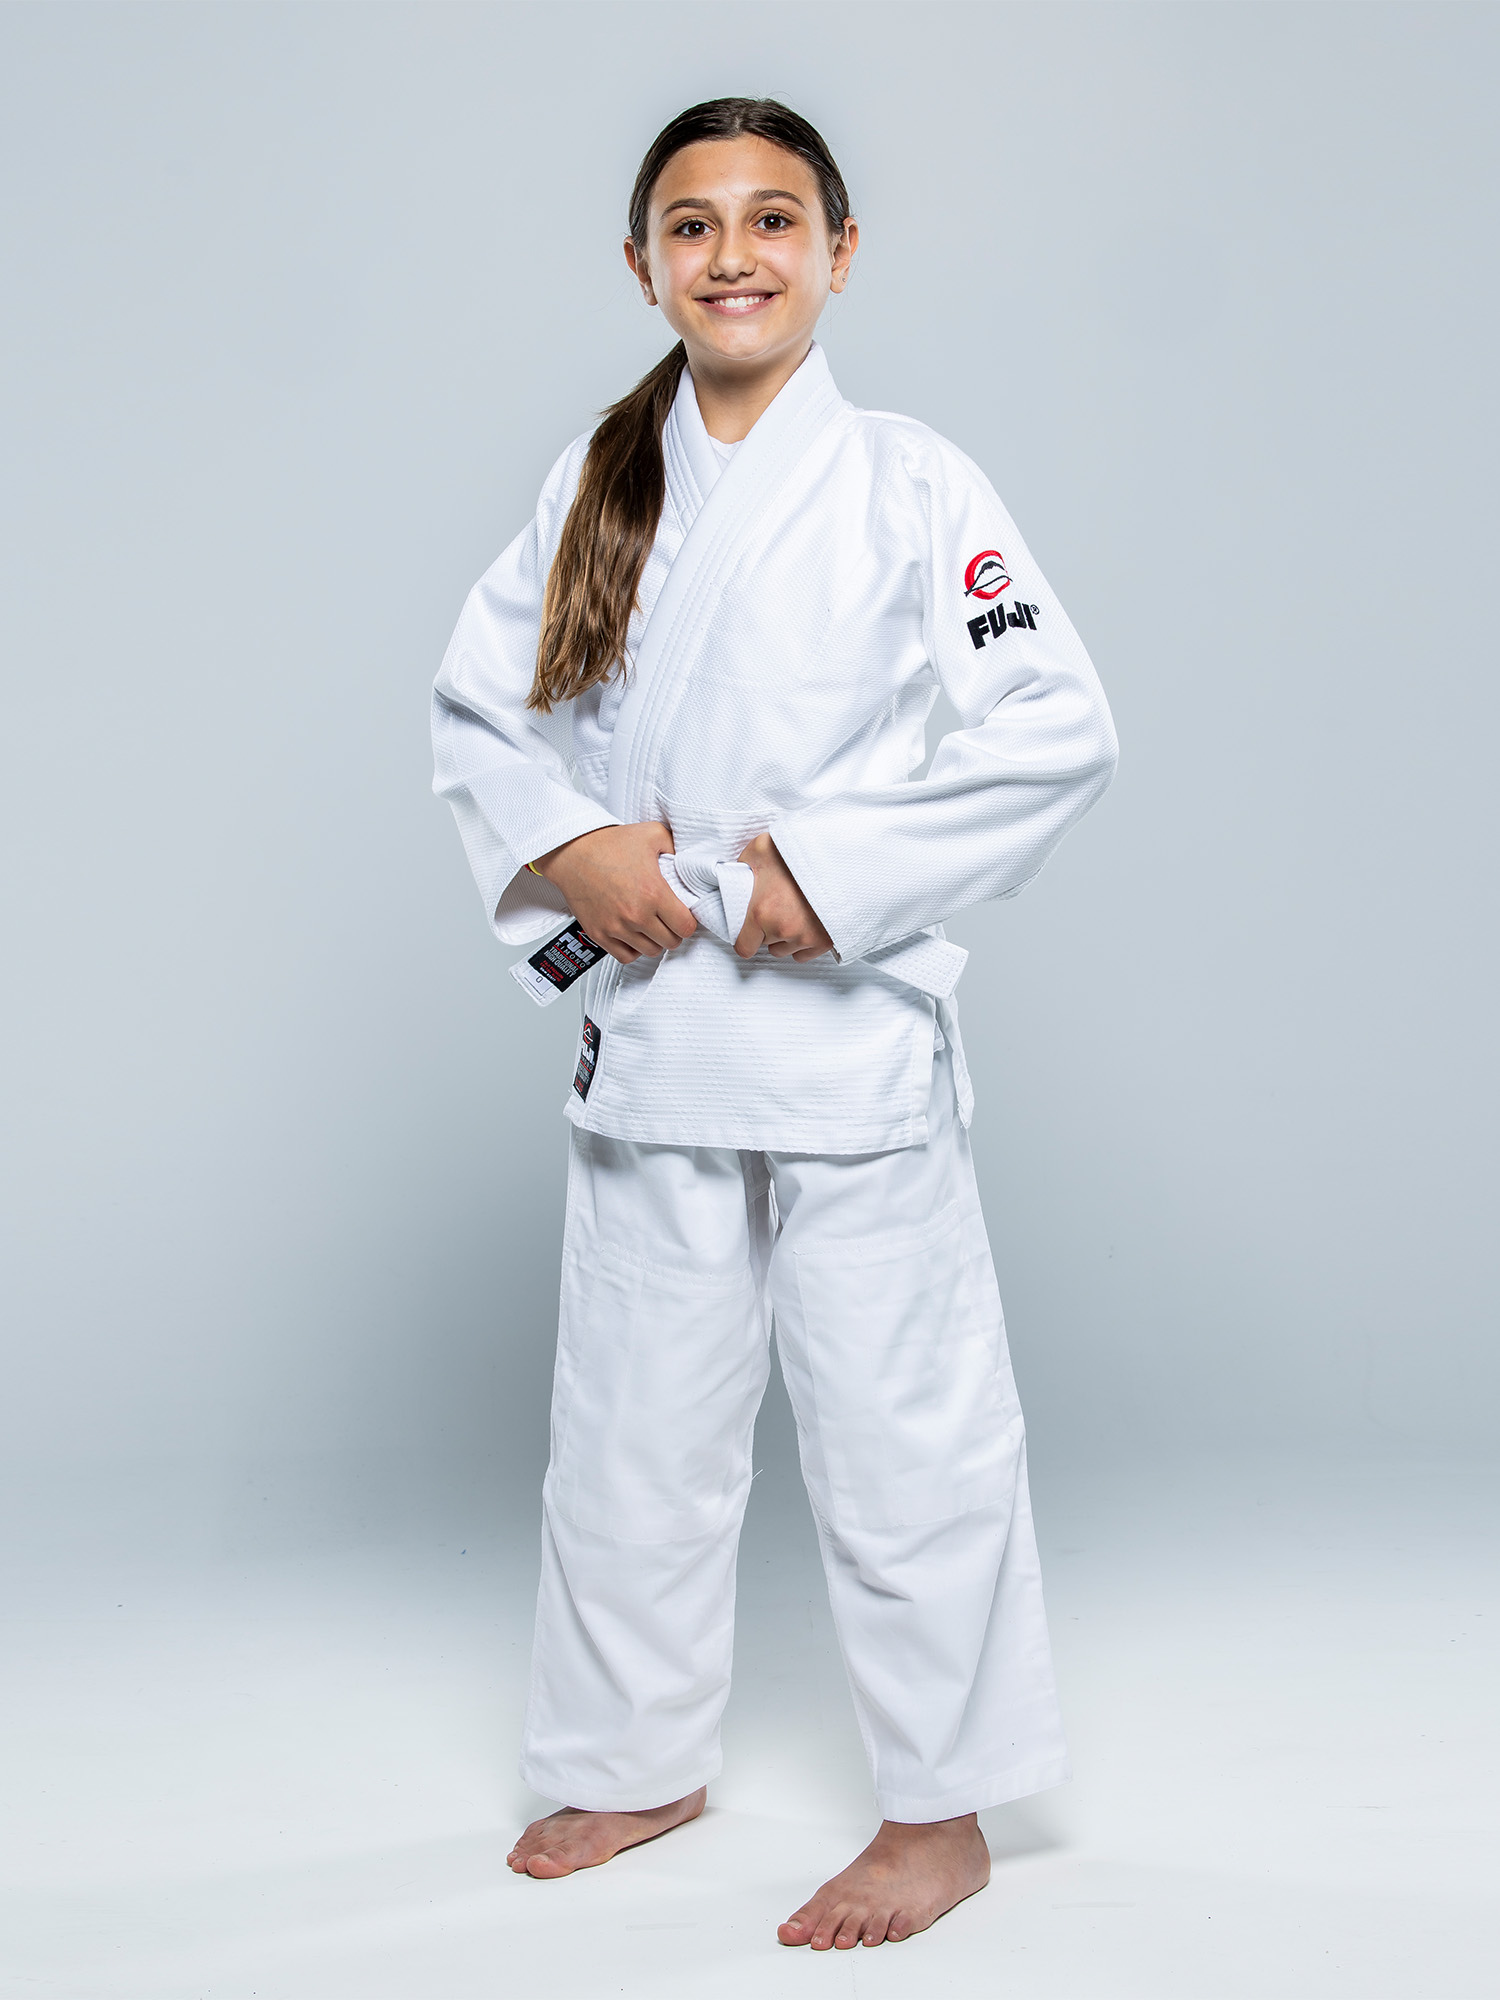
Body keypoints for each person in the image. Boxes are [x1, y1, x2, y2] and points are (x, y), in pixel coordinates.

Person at [431, 97, 1117, 1951]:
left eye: (773, 218)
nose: (732, 252)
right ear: (643, 263)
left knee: (908, 1428)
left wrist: (825, 867)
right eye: (692, 223)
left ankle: (940, 1809)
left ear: (839, 253)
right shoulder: (601, 475)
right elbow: (481, 710)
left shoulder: (910, 480)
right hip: (656, 1019)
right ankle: (636, 1751)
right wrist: (578, 851)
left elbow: (1053, 726)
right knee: (633, 1425)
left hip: (835, 1024)